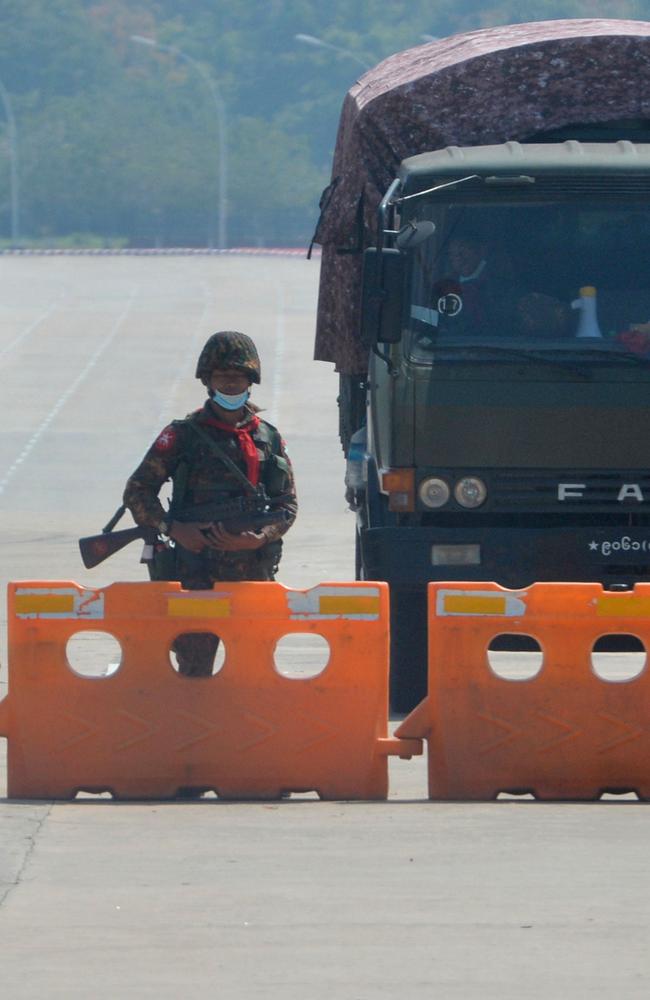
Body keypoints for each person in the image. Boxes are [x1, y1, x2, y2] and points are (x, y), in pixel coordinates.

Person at [123, 330, 297, 677]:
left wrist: (259, 537)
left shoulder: (268, 437)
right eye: (222, 377)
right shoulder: (183, 435)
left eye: (238, 378)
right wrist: (173, 528)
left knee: (253, 671)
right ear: (208, 381)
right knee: (194, 671)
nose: (231, 385)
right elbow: (137, 490)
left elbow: (287, 506)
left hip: (252, 575)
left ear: (251, 382)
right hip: (194, 572)